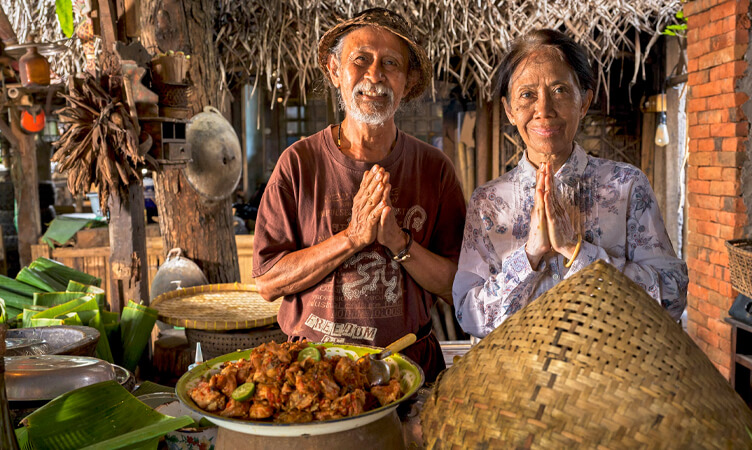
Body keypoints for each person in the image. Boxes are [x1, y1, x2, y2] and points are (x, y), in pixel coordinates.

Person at [253, 8, 466, 382]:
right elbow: (268, 281)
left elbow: (457, 287)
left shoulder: (434, 169)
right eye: (360, 60)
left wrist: (399, 243)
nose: (374, 75)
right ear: (335, 70)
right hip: (313, 373)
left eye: (391, 64)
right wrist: (352, 237)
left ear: (408, 79)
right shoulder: (299, 164)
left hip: (407, 370)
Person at [453, 29, 688, 338]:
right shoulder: (489, 202)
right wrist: (530, 256)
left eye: (560, 90)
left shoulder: (626, 187)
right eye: (527, 95)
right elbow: (468, 314)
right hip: (515, 380)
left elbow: (671, 296)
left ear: (584, 101)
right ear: (510, 111)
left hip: (611, 379)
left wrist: (577, 251)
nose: (544, 109)